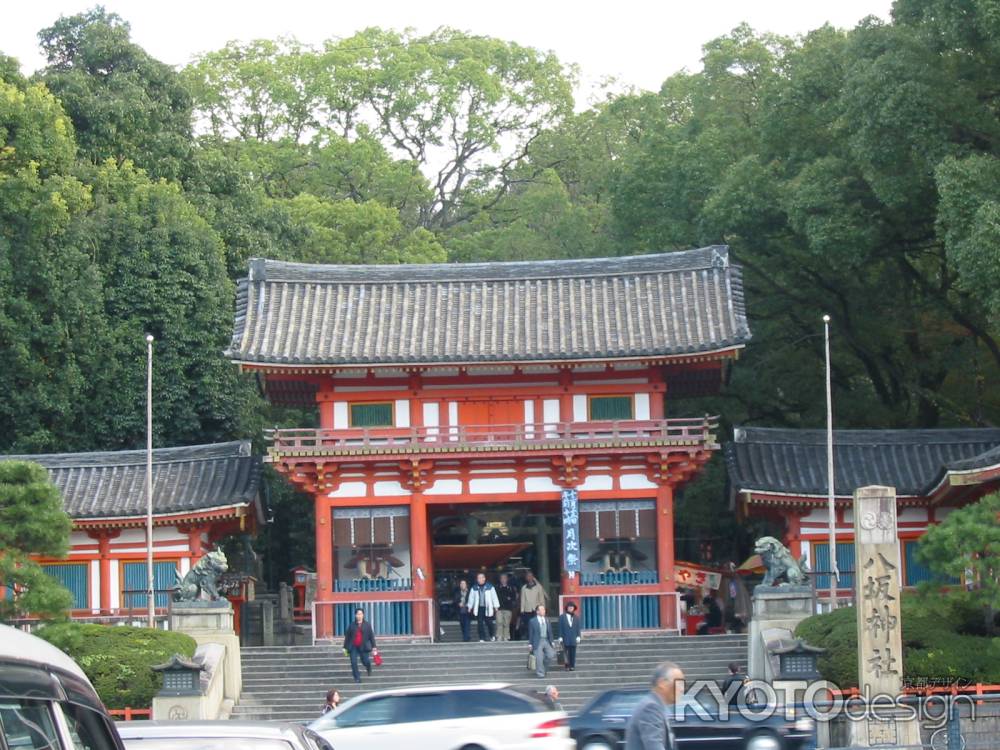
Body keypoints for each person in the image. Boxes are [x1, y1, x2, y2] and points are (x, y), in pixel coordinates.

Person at [625, 661, 684, 750]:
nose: (682, 689)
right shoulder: (651, 708)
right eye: (679, 683)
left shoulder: (657, 706)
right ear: (662, 683)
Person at [342, 608, 376, 683]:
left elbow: (371, 636)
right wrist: (344, 647)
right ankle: (357, 677)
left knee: (365, 661)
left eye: (360, 614)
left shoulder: (367, 625)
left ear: (363, 615)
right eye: (357, 614)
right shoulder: (352, 625)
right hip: (353, 646)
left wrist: (374, 647)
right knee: (353, 662)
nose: (359, 615)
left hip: (363, 646)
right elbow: (347, 637)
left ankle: (368, 667)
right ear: (355, 615)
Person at [468, 572, 500, 642]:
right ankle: (482, 637)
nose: (480, 579)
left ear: (484, 579)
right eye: (478, 578)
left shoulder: (490, 587)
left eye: (481, 578)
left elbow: (494, 597)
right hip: (479, 608)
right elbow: (471, 598)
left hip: (488, 607)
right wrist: (470, 607)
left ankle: (492, 635)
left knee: (489, 623)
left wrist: (496, 606)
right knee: (480, 623)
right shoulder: (474, 588)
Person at [528, 604, 557, 678]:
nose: (543, 611)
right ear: (537, 611)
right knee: (539, 658)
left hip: (546, 640)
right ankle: (540, 673)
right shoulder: (532, 621)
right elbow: (531, 633)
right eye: (541, 610)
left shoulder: (547, 619)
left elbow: (550, 632)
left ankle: (544, 668)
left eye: (544, 609)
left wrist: (552, 641)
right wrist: (530, 644)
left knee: (551, 654)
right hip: (537, 640)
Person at [519, 571, 547, 640]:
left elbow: (541, 598)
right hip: (527, 608)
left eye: (530, 576)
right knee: (527, 624)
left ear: (533, 577)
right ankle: (528, 636)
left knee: (538, 623)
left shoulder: (538, 587)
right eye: (528, 576)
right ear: (526, 578)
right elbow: (522, 599)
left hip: (536, 608)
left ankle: (538, 636)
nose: (529, 578)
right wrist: (522, 609)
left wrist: (543, 608)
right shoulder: (524, 588)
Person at [558, 601, 582, 671]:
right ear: (567, 608)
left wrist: (578, 636)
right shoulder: (562, 617)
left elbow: (578, 628)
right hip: (565, 637)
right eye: (569, 607)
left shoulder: (576, 617)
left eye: (572, 607)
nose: (571, 608)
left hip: (573, 637)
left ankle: (572, 665)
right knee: (566, 652)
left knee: (573, 652)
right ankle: (567, 666)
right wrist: (560, 636)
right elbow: (560, 627)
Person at [495, 573, 518, 641]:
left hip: (508, 608)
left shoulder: (511, 588)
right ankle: (499, 636)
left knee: (506, 623)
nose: (503, 580)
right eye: (502, 578)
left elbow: (514, 598)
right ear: (500, 579)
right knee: (499, 622)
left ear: (507, 579)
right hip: (499, 608)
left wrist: (510, 600)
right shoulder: (497, 587)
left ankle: (506, 637)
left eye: (504, 578)